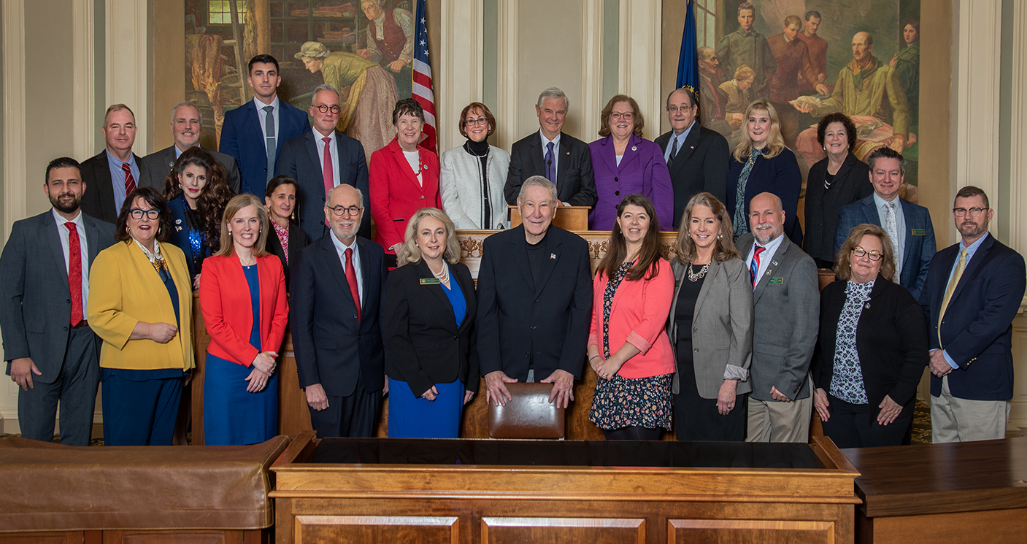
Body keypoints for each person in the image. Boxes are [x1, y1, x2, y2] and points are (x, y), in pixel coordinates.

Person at [0, 157, 116, 445]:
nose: (66, 189)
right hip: (37, 352)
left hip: (89, 344)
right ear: (46, 189)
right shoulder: (25, 232)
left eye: (72, 182)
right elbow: (7, 295)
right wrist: (16, 354)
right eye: (58, 183)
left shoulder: (104, 233)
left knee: (78, 438)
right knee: (35, 441)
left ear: (83, 187)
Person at [87, 187, 195, 446]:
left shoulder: (176, 255)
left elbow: (184, 312)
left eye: (151, 212)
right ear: (127, 220)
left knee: (159, 451)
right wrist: (148, 330)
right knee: (128, 452)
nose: (144, 218)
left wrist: (186, 361)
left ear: (161, 221)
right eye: (137, 212)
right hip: (129, 371)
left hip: (172, 369)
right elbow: (99, 316)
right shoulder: (111, 258)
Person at [921, 186, 1026, 443]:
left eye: (975, 210)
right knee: (942, 470)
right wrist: (933, 351)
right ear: (954, 214)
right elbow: (924, 309)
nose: (967, 216)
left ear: (988, 214)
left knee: (980, 471)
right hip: (940, 380)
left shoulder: (1008, 261)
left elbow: (994, 320)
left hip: (981, 384)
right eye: (961, 210)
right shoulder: (941, 259)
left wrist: (950, 357)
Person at [477, 176, 591, 409]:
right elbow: (486, 314)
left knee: (551, 446)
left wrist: (569, 367)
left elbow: (581, 314)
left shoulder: (575, 249)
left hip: (556, 374)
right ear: (518, 206)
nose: (536, 213)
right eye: (530, 204)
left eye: (544, 205)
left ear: (555, 208)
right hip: (505, 374)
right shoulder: (495, 248)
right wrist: (491, 369)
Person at [813, 224, 928, 448]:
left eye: (874, 254)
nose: (865, 258)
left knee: (877, 479)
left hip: (883, 408)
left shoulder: (900, 300)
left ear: (882, 262)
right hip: (835, 407)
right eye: (860, 251)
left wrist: (899, 397)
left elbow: (917, 353)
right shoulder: (830, 295)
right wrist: (817, 386)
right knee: (843, 475)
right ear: (849, 255)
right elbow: (817, 347)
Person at [290, 184, 387, 438]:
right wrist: (310, 382)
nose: (346, 216)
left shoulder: (375, 254)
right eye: (339, 209)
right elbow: (301, 326)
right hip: (328, 382)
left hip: (370, 379)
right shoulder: (308, 258)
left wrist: (386, 372)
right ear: (327, 213)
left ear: (362, 212)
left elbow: (383, 318)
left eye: (352, 209)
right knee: (331, 459)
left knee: (364, 457)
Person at [199, 194, 289, 445]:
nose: (246, 228)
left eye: (252, 220)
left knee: (263, 446)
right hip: (227, 371)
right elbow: (215, 324)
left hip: (265, 370)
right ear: (228, 225)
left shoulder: (273, 264)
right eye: (239, 221)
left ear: (262, 224)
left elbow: (280, 316)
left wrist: (267, 358)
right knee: (225, 447)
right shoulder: (212, 266)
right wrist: (254, 358)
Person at [383, 208, 478, 438]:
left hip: (453, 383)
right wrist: (419, 382)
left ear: (448, 236)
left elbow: (470, 332)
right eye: (426, 233)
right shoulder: (401, 278)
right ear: (415, 239)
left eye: (439, 232)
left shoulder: (462, 273)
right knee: (410, 463)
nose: (433, 240)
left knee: (444, 462)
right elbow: (394, 336)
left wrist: (471, 379)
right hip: (414, 385)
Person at [586, 195, 675, 440]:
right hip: (609, 375)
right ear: (618, 222)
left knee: (642, 463)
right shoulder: (605, 269)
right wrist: (595, 358)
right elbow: (594, 318)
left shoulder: (659, 267)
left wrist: (615, 361)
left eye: (641, 217)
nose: (634, 222)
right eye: (628, 216)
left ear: (650, 224)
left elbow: (651, 323)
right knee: (615, 464)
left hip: (645, 375)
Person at [667, 192, 753, 441]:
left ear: (720, 226)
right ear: (688, 225)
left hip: (720, 384)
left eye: (709, 221)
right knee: (687, 463)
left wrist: (731, 382)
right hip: (683, 383)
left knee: (722, 465)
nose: (701, 228)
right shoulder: (677, 266)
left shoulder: (734, 268)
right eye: (695, 221)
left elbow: (743, 329)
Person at [737, 193, 819, 443]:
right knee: (750, 466)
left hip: (782, 387)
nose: (761, 220)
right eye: (755, 214)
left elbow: (806, 330)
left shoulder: (800, 263)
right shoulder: (740, 246)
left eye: (768, 213)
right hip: (749, 384)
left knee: (786, 468)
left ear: (783, 217)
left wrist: (790, 380)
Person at [793, 32, 910, 168]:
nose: (856, 48)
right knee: (807, 136)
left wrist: (900, 138)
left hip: (875, 131)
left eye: (860, 44)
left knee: (874, 155)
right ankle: (824, 182)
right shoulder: (845, 72)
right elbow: (837, 102)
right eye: (854, 45)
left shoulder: (886, 72)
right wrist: (815, 107)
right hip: (848, 127)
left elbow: (900, 108)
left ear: (870, 47)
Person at [835, 147, 934, 300]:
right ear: (870, 176)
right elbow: (843, 265)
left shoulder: (921, 215)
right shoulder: (850, 214)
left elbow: (929, 265)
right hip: (866, 306)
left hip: (910, 305)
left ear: (902, 177)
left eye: (893, 173)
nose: (887, 179)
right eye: (880, 173)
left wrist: (908, 300)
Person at [277, 84, 371, 242]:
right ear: (312, 110)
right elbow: (284, 199)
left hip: (347, 233)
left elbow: (364, 198)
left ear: (339, 113)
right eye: (322, 107)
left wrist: (363, 241)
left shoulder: (354, 148)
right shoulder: (292, 148)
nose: (329, 113)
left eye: (334, 108)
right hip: (306, 237)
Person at [219, 54, 310, 197]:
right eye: (259, 74)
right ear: (250, 81)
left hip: (286, 204)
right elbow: (228, 167)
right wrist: (250, 199)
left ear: (278, 80)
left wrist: (284, 198)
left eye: (271, 74)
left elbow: (304, 166)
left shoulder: (299, 118)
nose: (265, 79)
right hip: (246, 204)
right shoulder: (234, 119)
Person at [295, 41, 400, 164]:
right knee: (370, 123)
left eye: (308, 62)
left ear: (318, 59)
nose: (307, 67)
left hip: (371, 80)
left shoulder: (328, 65)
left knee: (367, 126)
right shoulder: (332, 58)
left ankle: (373, 165)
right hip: (378, 77)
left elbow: (332, 96)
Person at [369, 98, 441, 264]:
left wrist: (438, 239)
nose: (410, 127)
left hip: (428, 246)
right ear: (396, 126)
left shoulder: (431, 157)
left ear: (422, 126)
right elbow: (378, 207)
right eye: (404, 121)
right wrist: (397, 245)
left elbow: (437, 204)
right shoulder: (381, 157)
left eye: (415, 121)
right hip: (396, 248)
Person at [588, 95, 673, 231]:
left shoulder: (651, 150)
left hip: (639, 231)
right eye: (616, 114)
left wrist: (661, 233)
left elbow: (663, 196)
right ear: (608, 119)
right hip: (599, 231)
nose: (622, 119)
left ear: (635, 119)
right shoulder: (591, 150)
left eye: (627, 115)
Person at [504, 88, 597, 208]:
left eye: (560, 112)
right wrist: (538, 206)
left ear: (565, 114)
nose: (554, 118)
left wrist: (564, 206)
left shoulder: (580, 149)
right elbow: (511, 192)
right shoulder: (520, 149)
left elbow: (588, 193)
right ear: (538, 111)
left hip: (568, 221)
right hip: (532, 221)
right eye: (548, 111)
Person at [725, 99, 802, 245]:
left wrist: (773, 245)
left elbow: (787, 210)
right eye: (752, 120)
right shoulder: (738, 155)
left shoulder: (784, 157)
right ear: (746, 124)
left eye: (763, 120)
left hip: (769, 242)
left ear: (772, 125)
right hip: (736, 243)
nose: (757, 126)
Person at [804, 113, 873, 269]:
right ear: (823, 141)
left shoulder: (862, 173)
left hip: (845, 256)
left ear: (849, 140)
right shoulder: (816, 171)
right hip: (813, 255)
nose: (835, 138)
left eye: (840, 134)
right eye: (830, 134)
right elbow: (809, 214)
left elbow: (866, 223)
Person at [654, 87, 730, 228]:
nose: (678, 113)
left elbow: (715, 198)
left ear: (694, 110)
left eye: (684, 108)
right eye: (673, 108)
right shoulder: (658, 143)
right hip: (660, 229)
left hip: (693, 231)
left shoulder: (713, 142)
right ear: (667, 112)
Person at [161, 147, 234, 290]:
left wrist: (208, 274)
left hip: (214, 287)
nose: (194, 183)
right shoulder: (167, 211)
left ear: (208, 181)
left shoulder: (217, 211)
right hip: (177, 287)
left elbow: (228, 254)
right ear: (179, 177)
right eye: (189, 175)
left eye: (201, 178)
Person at [139, 102, 241, 194]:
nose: (188, 126)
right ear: (172, 127)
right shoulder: (151, 165)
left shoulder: (226, 164)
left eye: (194, 121)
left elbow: (234, 210)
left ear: (201, 127)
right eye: (181, 121)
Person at [439, 102, 511, 230]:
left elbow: (509, 198)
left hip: (499, 235)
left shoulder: (504, 157)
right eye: (470, 121)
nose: (476, 125)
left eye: (481, 120)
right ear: (464, 128)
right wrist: (475, 233)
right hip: (466, 238)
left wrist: (501, 226)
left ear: (489, 125)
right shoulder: (451, 158)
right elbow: (449, 204)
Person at [79, 105, 151, 224]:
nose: (122, 132)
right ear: (104, 132)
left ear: (135, 131)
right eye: (115, 127)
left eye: (128, 126)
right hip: (107, 242)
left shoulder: (148, 167)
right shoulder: (85, 172)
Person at [767, 15, 821, 148]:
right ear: (784, 28)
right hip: (772, 94)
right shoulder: (771, 42)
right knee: (772, 131)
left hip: (791, 95)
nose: (795, 33)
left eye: (797, 30)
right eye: (792, 29)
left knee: (791, 132)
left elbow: (807, 68)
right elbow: (764, 67)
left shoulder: (801, 46)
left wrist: (816, 83)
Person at [716, 3, 776, 100]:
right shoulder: (729, 40)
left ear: (754, 18)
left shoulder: (761, 39)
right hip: (736, 94)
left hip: (758, 92)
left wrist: (762, 83)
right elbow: (715, 64)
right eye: (743, 17)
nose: (746, 20)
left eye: (749, 16)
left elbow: (772, 66)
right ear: (739, 19)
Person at [356, 0, 414, 98]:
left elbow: (413, 38)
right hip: (395, 72)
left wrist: (402, 60)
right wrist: (369, 54)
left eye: (370, 7)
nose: (367, 12)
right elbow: (377, 53)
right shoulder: (370, 27)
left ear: (378, 5)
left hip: (412, 69)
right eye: (364, 9)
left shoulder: (399, 14)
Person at [264, 175, 310, 290]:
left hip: (294, 298)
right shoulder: (260, 232)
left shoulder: (300, 235)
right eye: (281, 197)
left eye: (291, 197)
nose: (287, 203)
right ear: (268, 201)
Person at [891, 18, 920, 127]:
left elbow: (900, 82)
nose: (907, 34)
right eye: (905, 30)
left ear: (918, 34)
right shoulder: (903, 52)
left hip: (908, 102)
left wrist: (891, 69)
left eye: (911, 31)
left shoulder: (911, 56)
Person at [696, 47, 730, 135]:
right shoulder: (697, 87)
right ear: (701, 64)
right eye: (712, 59)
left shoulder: (714, 82)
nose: (717, 63)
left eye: (716, 59)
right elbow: (702, 125)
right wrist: (728, 125)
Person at [795, 11, 828, 95]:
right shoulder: (795, 38)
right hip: (795, 86)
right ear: (805, 22)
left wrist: (822, 76)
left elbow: (822, 65)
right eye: (813, 23)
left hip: (813, 87)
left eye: (817, 24)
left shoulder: (822, 43)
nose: (815, 27)